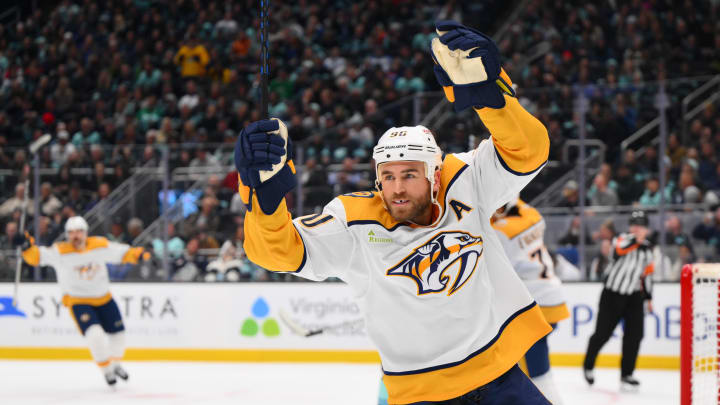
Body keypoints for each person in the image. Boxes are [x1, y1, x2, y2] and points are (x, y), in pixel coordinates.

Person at [236, 21, 552, 404]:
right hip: (421, 396)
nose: (396, 187)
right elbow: (276, 253)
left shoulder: (464, 181)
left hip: (501, 379)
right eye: (387, 176)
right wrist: (264, 202)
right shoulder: (353, 221)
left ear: (435, 175)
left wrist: (493, 101)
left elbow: (528, 152)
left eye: (409, 174)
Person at [14, 216, 147, 386]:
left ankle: (116, 364)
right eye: (71, 232)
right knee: (95, 335)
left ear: (85, 232)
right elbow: (37, 257)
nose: (75, 236)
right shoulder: (60, 251)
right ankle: (107, 370)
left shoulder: (99, 245)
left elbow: (121, 252)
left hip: (104, 298)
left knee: (118, 335)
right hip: (79, 301)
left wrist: (138, 254)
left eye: (78, 232)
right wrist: (26, 246)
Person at [491, 196, 569, 404]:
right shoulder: (532, 215)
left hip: (534, 303)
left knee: (534, 375)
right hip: (552, 296)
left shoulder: (500, 233)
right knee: (531, 369)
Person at [582, 210, 655, 391]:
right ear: (630, 227)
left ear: (647, 229)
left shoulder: (647, 250)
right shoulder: (620, 239)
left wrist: (649, 298)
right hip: (612, 294)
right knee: (602, 334)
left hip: (634, 297)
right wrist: (636, 239)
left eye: (641, 226)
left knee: (635, 336)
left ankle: (627, 375)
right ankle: (588, 365)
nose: (638, 229)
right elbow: (618, 251)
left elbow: (646, 276)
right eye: (635, 225)